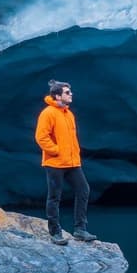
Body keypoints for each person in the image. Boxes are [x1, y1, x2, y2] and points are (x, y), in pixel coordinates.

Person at [35, 79, 97, 245]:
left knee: (83, 190)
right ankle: (55, 232)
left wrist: (73, 154)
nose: (71, 95)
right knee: (54, 196)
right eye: (67, 92)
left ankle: (80, 229)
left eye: (70, 92)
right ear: (57, 96)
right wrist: (56, 151)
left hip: (72, 162)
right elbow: (41, 137)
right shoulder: (48, 113)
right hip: (55, 163)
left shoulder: (69, 114)